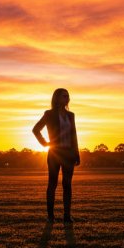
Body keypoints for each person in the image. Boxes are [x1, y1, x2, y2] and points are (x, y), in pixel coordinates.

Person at [32, 88, 80, 222]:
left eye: (68, 96)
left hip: (69, 154)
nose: (67, 98)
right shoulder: (49, 114)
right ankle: (50, 217)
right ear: (57, 98)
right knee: (52, 184)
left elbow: (74, 136)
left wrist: (77, 154)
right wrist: (44, 143)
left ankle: (67, 216)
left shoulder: (71, 115)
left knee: (67, 185)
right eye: (64, 96)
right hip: (54, 153)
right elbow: (35, 129)